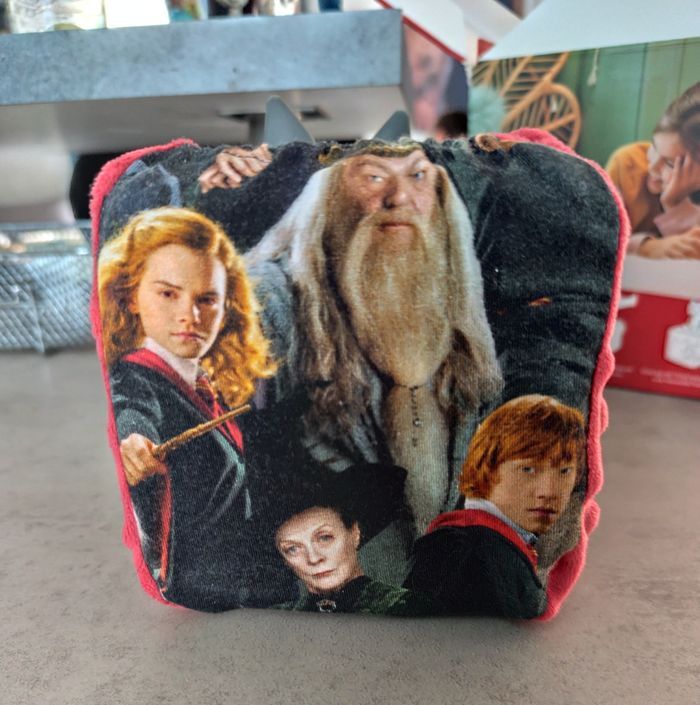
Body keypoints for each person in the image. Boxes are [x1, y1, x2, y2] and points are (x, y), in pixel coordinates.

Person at [245, 141, 503, 537]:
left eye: (417, 175)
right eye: (374, 177)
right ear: (330, 194)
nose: (399, 197)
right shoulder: (264, 303)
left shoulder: (459, 317)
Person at [98, 207, 276, 610]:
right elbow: (132, 413)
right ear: (131, 296)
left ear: (226, 307)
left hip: (243, 590)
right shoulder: (134, 378)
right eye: (168, 293)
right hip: (200, 597)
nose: (190, 316)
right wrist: (134, 444)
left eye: (207, 299)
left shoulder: (205, 386)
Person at [405, 395, 586, 619]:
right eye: (528, 469)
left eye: (564, 471)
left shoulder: (490, 542)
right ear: (488, 466)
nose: (548, 491)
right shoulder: (466, 551)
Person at [270, 467, 439, 616]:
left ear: (355, 533)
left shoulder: (410, 610)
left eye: (324, 538)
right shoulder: (277, 619)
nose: (313, 558)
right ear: (285, 560)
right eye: (292, 549)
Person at [606, 82, 700, 259]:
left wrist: (675, 204)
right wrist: (646, 247)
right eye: (654, 147)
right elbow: (599, 241)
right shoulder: (627, 164)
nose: (653, 166)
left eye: (670, 163)